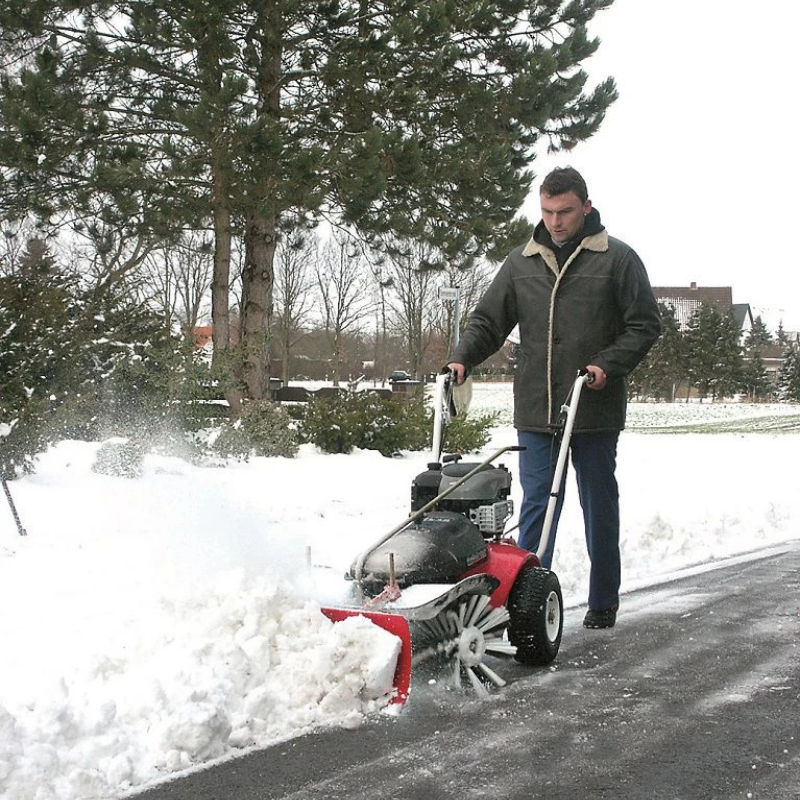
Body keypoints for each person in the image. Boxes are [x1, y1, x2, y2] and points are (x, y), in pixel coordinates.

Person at [448, 167, 661, 629]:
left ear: (586, 206)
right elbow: (488, 321)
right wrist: (462, 358)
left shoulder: (617, 260)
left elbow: (645, 325)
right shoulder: (521, 262)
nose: (556, 221)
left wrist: (607, 364)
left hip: (593, 409)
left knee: (597, 505)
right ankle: (525, 604)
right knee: (536, 508)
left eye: (564, 211)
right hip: (536, 409)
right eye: (546, 212)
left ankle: (603, 600)